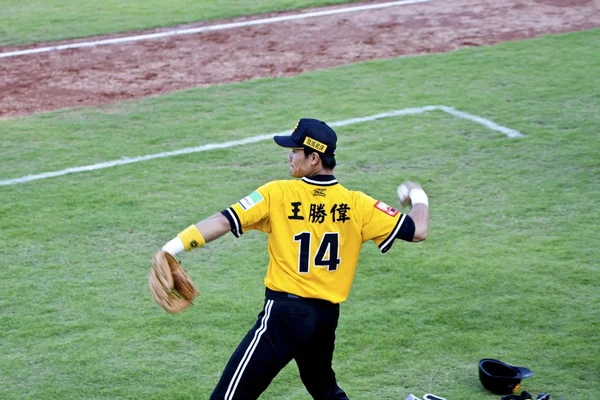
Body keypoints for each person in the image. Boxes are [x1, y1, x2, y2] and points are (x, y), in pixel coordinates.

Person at [159, 118, 430, 400]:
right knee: (326, 392)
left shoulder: (278, 194)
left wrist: (171, 248)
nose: (289, 155)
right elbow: (418, 230)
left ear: (314, 158)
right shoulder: (359, 204)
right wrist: (419, 196)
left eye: (295, 151)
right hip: (324, 319)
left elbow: (223, 221)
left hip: (284, 317)